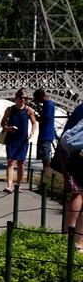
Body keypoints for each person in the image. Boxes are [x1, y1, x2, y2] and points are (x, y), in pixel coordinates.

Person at [0, 88, 36, 193]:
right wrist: (7, 128)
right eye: (21, 98)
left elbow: (34, 122)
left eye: (25, 98)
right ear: (16, 98)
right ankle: (10, 185)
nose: (23, 100)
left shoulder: (29, 110)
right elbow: (2, 122)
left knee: (21, 162)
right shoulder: (10, 109)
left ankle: (18, 185)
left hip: (23, 139)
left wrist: (32, 132)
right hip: (12, 138)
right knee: (10, 162)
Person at [59, 99, 83, 250]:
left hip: (72, 154)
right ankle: (78, 241)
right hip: (75, 155)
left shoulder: (80, 108)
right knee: (79, 194)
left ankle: (68, 238)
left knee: (78, 194)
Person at [33, 88, 56, 177]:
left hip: (45, 135)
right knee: (45, 157)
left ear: (40, 97)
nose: (35, 100)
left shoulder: (48, 105)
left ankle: (47, 175)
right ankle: (46, 174)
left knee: (46, 157)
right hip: (46, 134)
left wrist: (35, 118)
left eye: (36, 98)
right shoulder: (48, 105)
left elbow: (45, 120)